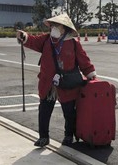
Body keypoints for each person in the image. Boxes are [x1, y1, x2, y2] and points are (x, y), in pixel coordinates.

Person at [16, 14, 96, 147]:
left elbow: (84, 60)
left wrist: (90, 74)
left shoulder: (74, 44)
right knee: (44, 111)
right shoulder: (46, 39)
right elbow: (33, 41)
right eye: (52, 25)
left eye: (56, 26)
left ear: (64, 29)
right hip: (48, 83)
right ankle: (43, 137)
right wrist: (24, 36)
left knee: (69, 112)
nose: (53, 28)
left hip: (67, 83)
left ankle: (68, 135)